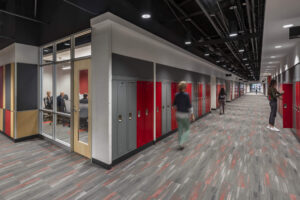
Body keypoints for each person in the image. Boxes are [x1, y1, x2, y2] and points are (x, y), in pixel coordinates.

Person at [173, 81, 195, 150]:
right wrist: (192, 114)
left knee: (180, 130)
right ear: (184, 87)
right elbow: (189, 106)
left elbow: (174, 106)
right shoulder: (186, 95)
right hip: (184, 115)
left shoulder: (176, 95)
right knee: (187, 130)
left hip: (178, 114)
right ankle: (181, 142)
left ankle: (180, 144)